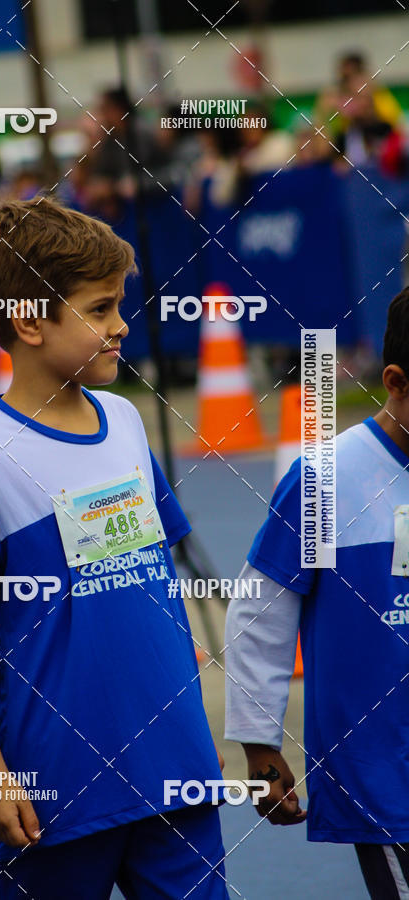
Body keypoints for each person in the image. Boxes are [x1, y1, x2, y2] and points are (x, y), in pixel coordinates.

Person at [0, 196, 228, 899]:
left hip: (173, 766)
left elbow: (157, 579)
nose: (122, 325)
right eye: (99, 310)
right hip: (58, 787)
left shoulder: (124, 421)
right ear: (31, 322)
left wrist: (185, 714)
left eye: (118, 305)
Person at [224, 288, 409, 899]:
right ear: (395, 381)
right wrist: (259, 747)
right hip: (384, 775)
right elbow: (260, 614)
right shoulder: (325, 480)